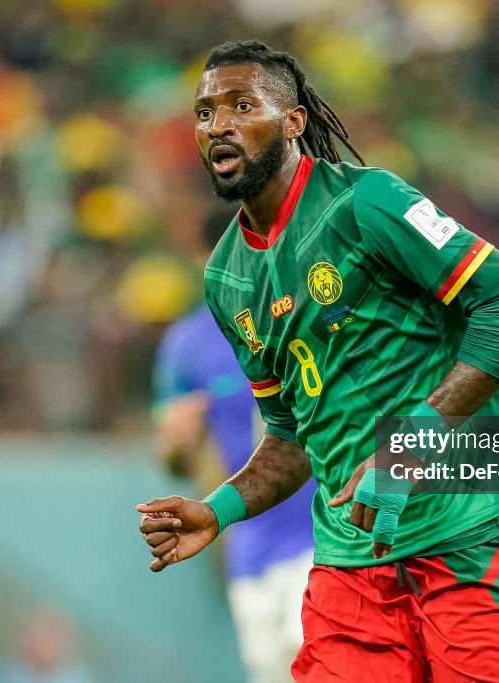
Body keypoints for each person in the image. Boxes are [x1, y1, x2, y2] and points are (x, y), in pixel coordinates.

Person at [136, 40, 499, 682]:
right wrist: (217, 510)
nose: (218, 125)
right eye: (204, 112)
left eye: (241, 105)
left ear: (295, 120)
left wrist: (413, 443)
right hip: (348, 575)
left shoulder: (367, 204)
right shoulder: (227, 276)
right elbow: (290, 436)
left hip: (468, 544)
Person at [153, 212, 315, 683]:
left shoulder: (299, 311)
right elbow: (174, 460)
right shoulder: (186, 344)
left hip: (319, 536)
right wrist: (179, 445)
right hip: (250, 547)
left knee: (321, 664)